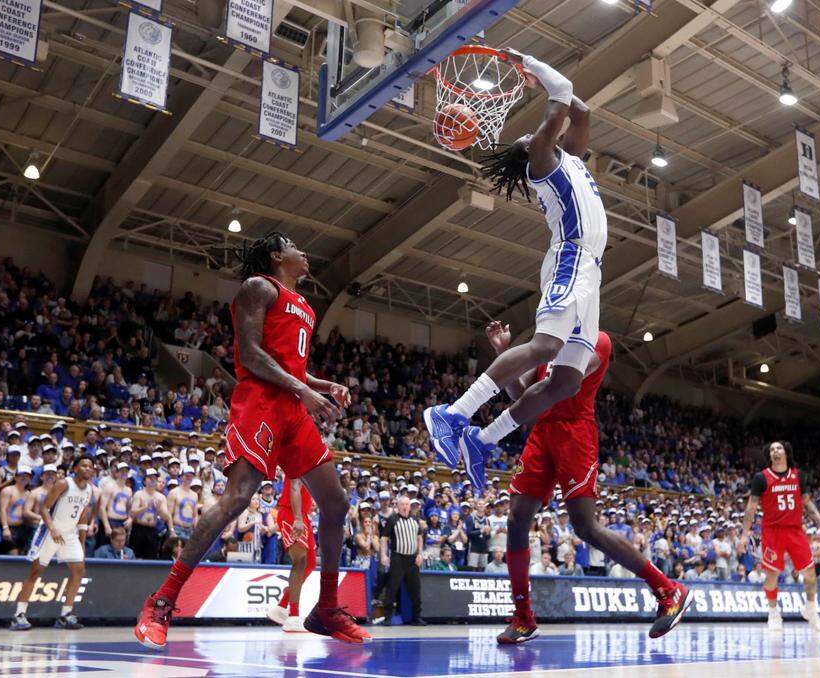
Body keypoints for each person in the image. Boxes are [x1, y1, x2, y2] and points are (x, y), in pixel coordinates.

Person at [134, 232, 369, 650]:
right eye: (295, 245)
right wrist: (302, 390)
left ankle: (327, 608)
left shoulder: (307, 307)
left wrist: (321, 384)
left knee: (336, 504)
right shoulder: (259, 287)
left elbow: (289, 362)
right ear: (278, 255)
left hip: (293, 410)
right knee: (238, 497)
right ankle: (161, 601)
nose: (303, 250)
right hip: (260, 402)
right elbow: (252, 355)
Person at [423, 48, 607, 491]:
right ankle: (453, 414)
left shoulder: (572, 159)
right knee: (545, 346)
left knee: (565, 382)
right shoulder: (542, 159)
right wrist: (526, 62)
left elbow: (581, 113)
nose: (533, 132)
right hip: (571, 257)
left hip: (591, 270)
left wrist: (544, 83)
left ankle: (482, 442)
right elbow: (561, 94)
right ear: (532, 151)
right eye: (533, 134)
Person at [485, 323, 691, 644]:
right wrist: (504, 353)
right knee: (516, 519)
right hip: (543, 432)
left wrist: (526, 357)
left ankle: (668, 589)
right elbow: (523, 395)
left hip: (574, 432)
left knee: (585, 526)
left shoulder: (600, 340)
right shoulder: (550, 340)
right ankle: (523, 617)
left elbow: (564, 384)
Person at [742, 440, 820, 633]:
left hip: (795, 530)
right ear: (769, 455)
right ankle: (773, 613)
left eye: (778, 448)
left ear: (786, 453)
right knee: (772, 574)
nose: (775, 451)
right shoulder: (761, 477)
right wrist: (744, 535)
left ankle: (810, 609)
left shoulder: (798, 476)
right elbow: (751, 508)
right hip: (773, 532)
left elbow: (807, 502)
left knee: (810, 573)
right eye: (772, 449)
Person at [10, 456, 96, 631]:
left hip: (70, 534)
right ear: (75, 468)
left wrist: (82, 542)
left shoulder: (89, 490)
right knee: (35, 572)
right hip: (50, 532)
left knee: (79, 571)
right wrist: (52, 528)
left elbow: (82, 516)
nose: (87, 468)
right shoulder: (64, 483)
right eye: (83, 465)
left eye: (90, 466)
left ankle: (65, 615)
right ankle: (18, 615)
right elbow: (43, 508)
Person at [267, 478, 316, 632]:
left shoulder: (313, 461)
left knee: (310, 564)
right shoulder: (300, 456)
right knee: (300, 561)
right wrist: (298, 518)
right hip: (292, 512)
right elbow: (295, 485)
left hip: (303, 514)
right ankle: (293, 617)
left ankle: (282, 606)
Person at [373, 497, 425, 626]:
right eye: (403, 504)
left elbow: (419, 538)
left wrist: (420, 554)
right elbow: (384, 538)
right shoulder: (392, 519)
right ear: (398, 506)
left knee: (416, 589)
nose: (405, 506)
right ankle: (387, 618)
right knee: (392, 588)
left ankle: (416, 617)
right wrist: (384, 555)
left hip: (412, 559)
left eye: (407, 504)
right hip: (398, 558)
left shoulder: (415, 520)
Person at [128, 470, 169, 560]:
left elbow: (166, 517)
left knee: (151, 558)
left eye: (155, 478)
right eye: (150, 478)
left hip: (153, 530)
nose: (152, 481)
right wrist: (145, 507)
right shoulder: (139, 494)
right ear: (144, 480)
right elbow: (133, 512)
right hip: (138, 528)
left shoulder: (161, 497)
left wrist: (159, 510)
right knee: (135, 557)